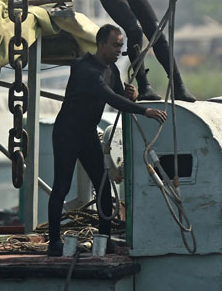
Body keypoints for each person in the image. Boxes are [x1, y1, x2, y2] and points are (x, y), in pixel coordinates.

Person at [47, 23, 167, 257]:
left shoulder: (112, 69)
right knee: (61, 186)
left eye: (120, 46)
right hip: (67, 133)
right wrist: (144, 111)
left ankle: (103, 239)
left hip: (88, 133)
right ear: (100, 44)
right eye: (114, 45)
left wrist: (130, 94)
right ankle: (54, 242)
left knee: (102, 187)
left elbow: (119, 94)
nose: (118, 51)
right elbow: (111, 98)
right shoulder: (85, 69)